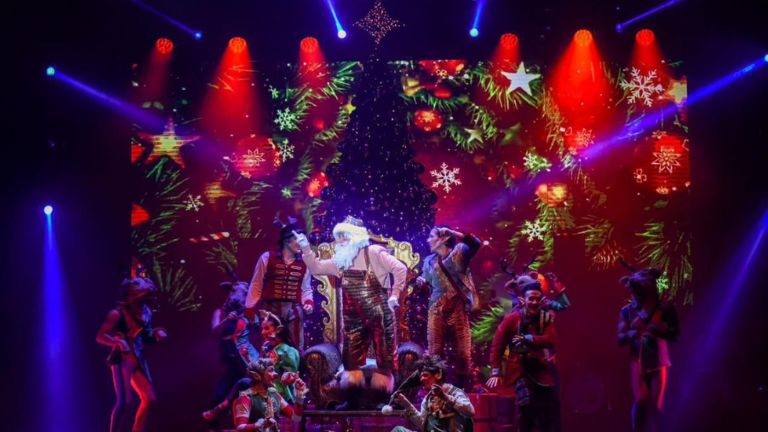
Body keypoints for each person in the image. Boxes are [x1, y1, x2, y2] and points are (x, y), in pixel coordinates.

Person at [296, 215, 407, 395]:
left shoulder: (374, 252)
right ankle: (354, 396)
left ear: (356, 236)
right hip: (353, 318)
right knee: (351, 360)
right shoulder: (342, 261)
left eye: (344, 236)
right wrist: (306, 248)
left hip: (379, 314)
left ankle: (382, 395)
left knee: (385, 356)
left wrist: (395, 294)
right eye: (338, 236)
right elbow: (316, 268)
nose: (340, 240)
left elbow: (400, 268)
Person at [487, 276, 560, 432]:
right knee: (526, 405)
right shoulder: (512, 320)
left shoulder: (545, 318)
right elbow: (497, 345)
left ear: (542, 300)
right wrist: (496, 371)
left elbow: (551, 339)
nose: (534, 302)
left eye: (537, 299)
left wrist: (530, 339)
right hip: (519, 371)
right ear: (523, 300)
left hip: (540, 371)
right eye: (531, 299)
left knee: (546, 412)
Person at [96, 277, 167, 432]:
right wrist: (118, 342)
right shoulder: (117, 313)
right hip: (123, 359)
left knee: (149, 398)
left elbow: (146, 336)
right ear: (130, 292)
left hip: (138, 359)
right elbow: (100, 336)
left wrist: (156, 334)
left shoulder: (146, 312)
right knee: (124, 402)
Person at [416, 225, 481, 390]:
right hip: (436, 307)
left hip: (457, 305)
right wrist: (422, 282)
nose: (428, 240)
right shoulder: (429, 261)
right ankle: (435, 386)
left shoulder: (458, 253)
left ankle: (462, 388)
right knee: (435, 349)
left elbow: (475, 243)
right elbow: (428, 283)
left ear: (443, 239)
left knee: (462, 351)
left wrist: (452, 232)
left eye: (431, 236)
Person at [617, 268, 679, 432]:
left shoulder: (663, 308)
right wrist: (633, 332)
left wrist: (658, 329)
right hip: (637, 359)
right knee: (641, 402)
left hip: (658, 359)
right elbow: (620, 337)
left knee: (657, 405)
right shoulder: (627, 311)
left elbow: (674, 333)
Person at [246, 217, 313, 350]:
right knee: (270, 346)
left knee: (295, 348)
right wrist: (249, 307)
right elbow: (256, 284)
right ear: (287, 240)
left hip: (293, 310)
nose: (301, 243)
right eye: (298, 239)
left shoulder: (304, 263)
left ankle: (296, 364)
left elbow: (306, 288)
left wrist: (308, 302)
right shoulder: (267, 257)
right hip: (270, 310)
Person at [202, 281, 259, 427]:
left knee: (244, 390)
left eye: (243, 293)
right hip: (228, 357)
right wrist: (227, 319)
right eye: (235, 291)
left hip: (244, 358)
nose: (238, 295)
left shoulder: (247, 313)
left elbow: (256, 328)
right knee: (221, 391)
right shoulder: (221, 312)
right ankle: (214, 423)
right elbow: (214, 331)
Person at [390, 355, 475, 432]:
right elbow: (423, 425)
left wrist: (444, 396)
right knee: (398, 430)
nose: (421, 379)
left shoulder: (454, 392)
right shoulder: (428, 399)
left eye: (425, 375)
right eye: (421, 376)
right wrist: (407, 405)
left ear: (438, 375)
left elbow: (470, 411)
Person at [232, 357, 308, 432]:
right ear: (257, 376)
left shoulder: (274, 394)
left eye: (274, 370)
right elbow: (240, 428)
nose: (276, 374)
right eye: (271, 371)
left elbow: (296, 417)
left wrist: (299, 395)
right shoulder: (246, 397)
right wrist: (258, 425)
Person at [259, 309, 301, 404]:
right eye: (262, 328)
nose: (262, 332)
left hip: (280, 393)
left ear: (278, 329)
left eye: (266, 328)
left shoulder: (287, 351)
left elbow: (290, 377)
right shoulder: (268, 348)